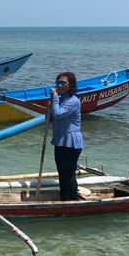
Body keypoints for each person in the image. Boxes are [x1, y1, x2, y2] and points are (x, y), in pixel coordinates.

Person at [50, 72, 85, 201]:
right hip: (60, 141)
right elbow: (50, 119)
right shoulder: (60, 99)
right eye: (58, 83)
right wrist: (50, 104)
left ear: (71, 85)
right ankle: (63, 199)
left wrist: (54, 98)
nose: (60, 85)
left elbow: (58, 114)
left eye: (63, 83)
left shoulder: (74, 101)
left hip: (71, 142)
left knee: (68, 175)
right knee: (62, 174)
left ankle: (71, 200)